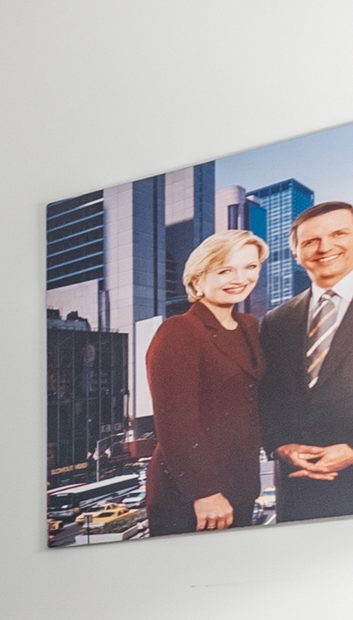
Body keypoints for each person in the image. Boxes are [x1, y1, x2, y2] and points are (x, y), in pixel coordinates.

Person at [142, 229, 266, 535]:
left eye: (250, 267)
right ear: (198, 279)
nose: (241, 278)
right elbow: (174, 423)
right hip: (192, 496)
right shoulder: (180, 330)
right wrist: (204, 491)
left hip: (240, 486)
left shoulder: (248, 326)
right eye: (225, 270)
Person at [261, 199, 353, 522]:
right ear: (296, 255)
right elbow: (266, 396)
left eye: (339, 233)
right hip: (297, 495)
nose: (324, 247)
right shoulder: (276, 320)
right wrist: (278, 446)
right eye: (310, 241)